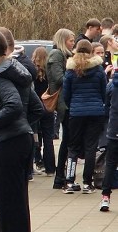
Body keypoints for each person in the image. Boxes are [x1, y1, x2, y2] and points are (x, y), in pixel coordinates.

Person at [0, 29, 41, 232]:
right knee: (18, 201)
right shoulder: (16, 71)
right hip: (21, 140)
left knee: (6, 203)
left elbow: (13, 105)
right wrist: (22, 126)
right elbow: (37, 108)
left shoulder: (0, 74)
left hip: (8, 143)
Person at [62, 40, 107, 194]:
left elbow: (66, 94)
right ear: (91, 51)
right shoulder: (98, 69)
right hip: (95, 112)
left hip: (76, 112)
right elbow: (103, 91)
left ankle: (69, 181)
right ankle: (88, 183)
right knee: (91, 147)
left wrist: (73, 106)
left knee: (73, 147)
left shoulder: (70, 70)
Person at [48, 28, 75, 188]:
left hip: (66, 101)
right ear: (63, 40)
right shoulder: (56, 55)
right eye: (71, 40)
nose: (73, 43)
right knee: (68, 140)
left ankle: (61, 175)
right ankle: (60, 176)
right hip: (63, 102)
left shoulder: (62, 55)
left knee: (68, 139)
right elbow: (58, 78)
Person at [32, 46, 56, 176]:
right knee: (48, 138)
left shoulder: (32, 71)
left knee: (35, 136)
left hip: (35, 107)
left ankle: (38, 161)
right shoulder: (49, 71)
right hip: (47, 106)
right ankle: (50, 168)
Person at [100, 74, 118, 211]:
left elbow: (106, 107)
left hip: (114, 130)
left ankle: (105, 197)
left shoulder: (111, 85)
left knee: (110, 164)